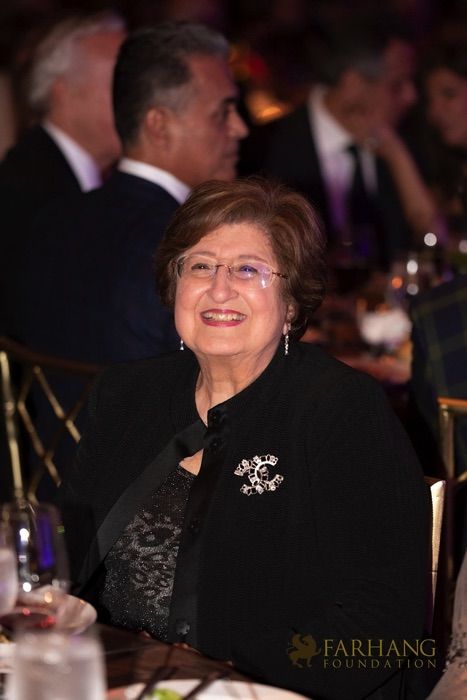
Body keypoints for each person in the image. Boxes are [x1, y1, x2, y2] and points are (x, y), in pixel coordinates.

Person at [61, 179, 430, 700]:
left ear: (292, 303)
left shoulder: (342, 412)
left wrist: (228, 682)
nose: (219, 289)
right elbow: (62, 552)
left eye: (248, 270)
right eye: (200, 266)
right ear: (174, 284)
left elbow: (386, 623)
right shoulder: (126, 394)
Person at [11, 21, 248, 364]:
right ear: (159, 125)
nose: (240, 128)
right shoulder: (193, 247)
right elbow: (224, 385)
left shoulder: (53, 221)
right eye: (222, 113)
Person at [246, 21, 439, 279]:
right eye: (397, 85)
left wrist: (397, 156)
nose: (411, 96)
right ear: (352, 85)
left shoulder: (404, 143)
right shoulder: (263, 148)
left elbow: (436, 245)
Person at [0, 11, 125, 335]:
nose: (139, 98)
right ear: (63, 91)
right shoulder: (30, 192)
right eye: (121, 82)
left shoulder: (82, 179)